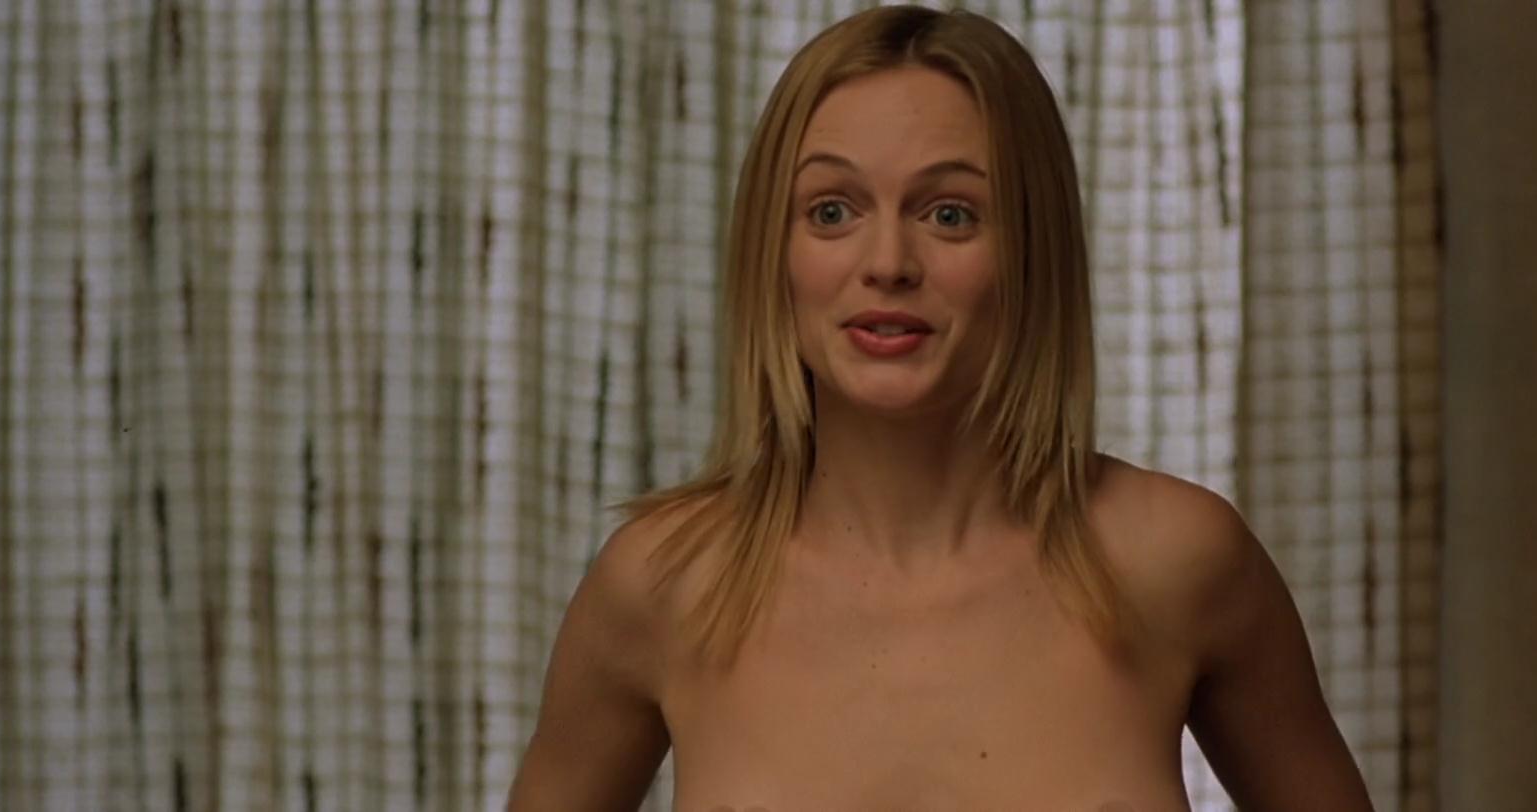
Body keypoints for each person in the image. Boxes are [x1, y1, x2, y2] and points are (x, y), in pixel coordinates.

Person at [508, 6, 1372, 810]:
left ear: (1032, 250)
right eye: (832, 210)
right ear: (774, 251)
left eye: (950, 214)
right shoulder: (663, 584)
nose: (888, 262)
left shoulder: (1179, 562)